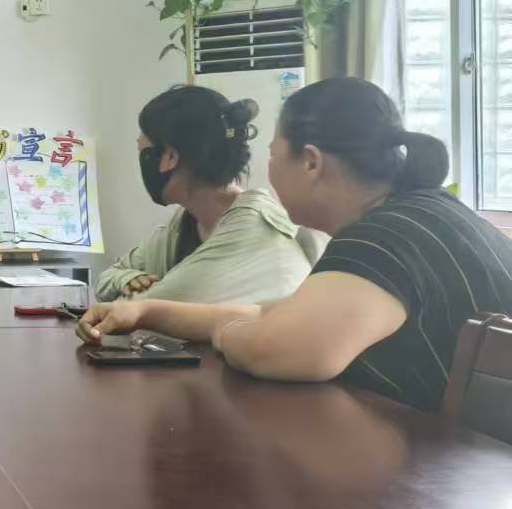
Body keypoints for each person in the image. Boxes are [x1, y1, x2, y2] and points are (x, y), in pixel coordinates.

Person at [79, 77, 512, 410]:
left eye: (272, 154)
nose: (266, 172)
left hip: (453, 492)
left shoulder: (384, 241)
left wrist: (227, 332)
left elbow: (276, 348)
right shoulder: (424, 214)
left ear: (310, 162)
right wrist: (146, 310)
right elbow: (274, 314)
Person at [95, 85, 319, 305]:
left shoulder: (251, 229)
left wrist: (128, 294)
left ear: (169, 157)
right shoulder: (184, 224)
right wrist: (126, 278)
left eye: (142, 150)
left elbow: (137, 310)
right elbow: (108, 278)